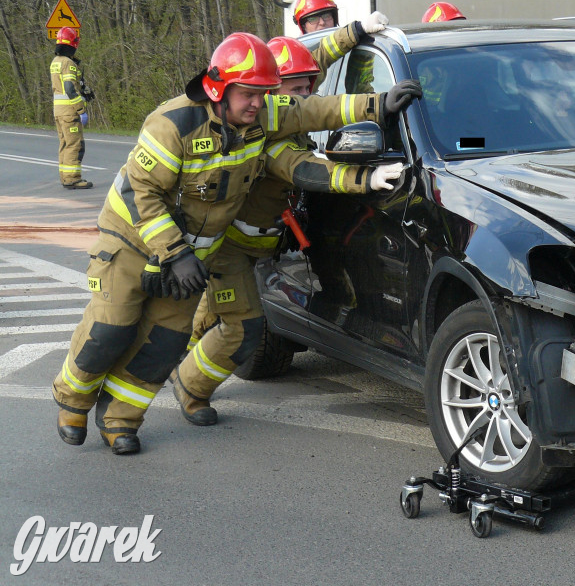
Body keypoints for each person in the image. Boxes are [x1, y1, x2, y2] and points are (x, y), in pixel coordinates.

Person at [51, 31, 421, 455]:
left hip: (194, 254)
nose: (257, 105)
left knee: (164, 343)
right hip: (133, 241)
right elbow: (143, 196)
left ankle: (119, 419)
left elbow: (313, 107)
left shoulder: (259, 115)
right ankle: (72, 399)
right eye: (248, 94)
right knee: (111, 328)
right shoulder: (173, 124)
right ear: (218, 88)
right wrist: (174, 253)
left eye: (263, 94)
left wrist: (378, 104)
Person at [170, 36, 404, 426]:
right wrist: (367, 178)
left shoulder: (281, 118)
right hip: (233, 248)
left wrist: (359, 32)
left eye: (310, 85)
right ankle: (189, 380)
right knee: (238, 324)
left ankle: (187, 364)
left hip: (255, 248)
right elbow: (306, 169)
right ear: (271, 90)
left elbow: (321, 86)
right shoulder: (268, 138)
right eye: (296, 88)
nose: (306, 94)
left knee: (219, 313)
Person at [50, 26, 94, 189]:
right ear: (72, 44)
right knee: (75, 145)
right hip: (70, 112)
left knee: (64, 143)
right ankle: (72, 178)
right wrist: (81, 110)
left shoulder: (55, 62)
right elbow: (69, 88)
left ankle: (65, 176)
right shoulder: (68, 63)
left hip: (58, 112)